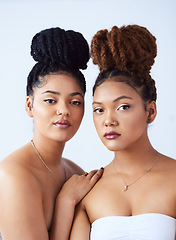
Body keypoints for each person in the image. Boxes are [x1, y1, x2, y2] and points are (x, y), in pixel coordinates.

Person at [69, 25, 176, 240]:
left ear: (151, 111)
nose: (108, 120)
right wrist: (66, 201)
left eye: (123, 107)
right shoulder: (87, 189)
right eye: (99, 110)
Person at [0, 27, 103, 240]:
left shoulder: (76, 172)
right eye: (50, 100)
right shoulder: (13, 175)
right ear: (29, 105)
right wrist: (65, 202)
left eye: (75, 102)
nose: (64, 110)